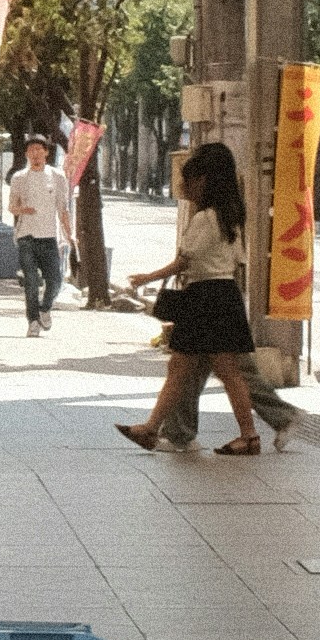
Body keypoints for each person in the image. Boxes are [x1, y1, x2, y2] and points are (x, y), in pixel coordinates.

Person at [121, 134, 280, 457]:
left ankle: (244, 436)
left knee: (205, 369)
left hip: (204, 297)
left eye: (190, 179)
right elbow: (236, 260)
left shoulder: (206, 218)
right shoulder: (231, 215)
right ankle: (154, 429)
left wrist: (146, 278)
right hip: (223, 296)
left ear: (205, 181)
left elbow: (184, 260)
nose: (186, 186)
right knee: (206, 369)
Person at [5, 133, 68, 336]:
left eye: (39, 150)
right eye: (31, 150)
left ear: (47, 152)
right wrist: (23, 210)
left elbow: (63, 208)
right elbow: (11, 207)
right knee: (31, 281)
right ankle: (32, 321)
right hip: (26, 236)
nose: (35, 154)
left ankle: (45, 308)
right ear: (26, 154)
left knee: (55, 280)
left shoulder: (58, 176)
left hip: (49, 236)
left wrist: (70, 233)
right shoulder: (19, 177)